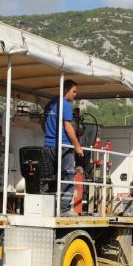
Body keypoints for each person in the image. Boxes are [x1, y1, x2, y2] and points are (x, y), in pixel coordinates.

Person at [44, 79, 84, 217]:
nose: (75, 95)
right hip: (63, 146)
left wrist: (50, 135)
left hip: (49, 146)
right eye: (74, 91)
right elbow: (68, 127)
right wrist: (77, 146)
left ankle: (51, 207)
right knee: (67, 177)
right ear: (66, 89)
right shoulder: (65, 104)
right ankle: (64, 209)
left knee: (54, 177)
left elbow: (41, 122)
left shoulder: (50, 103)